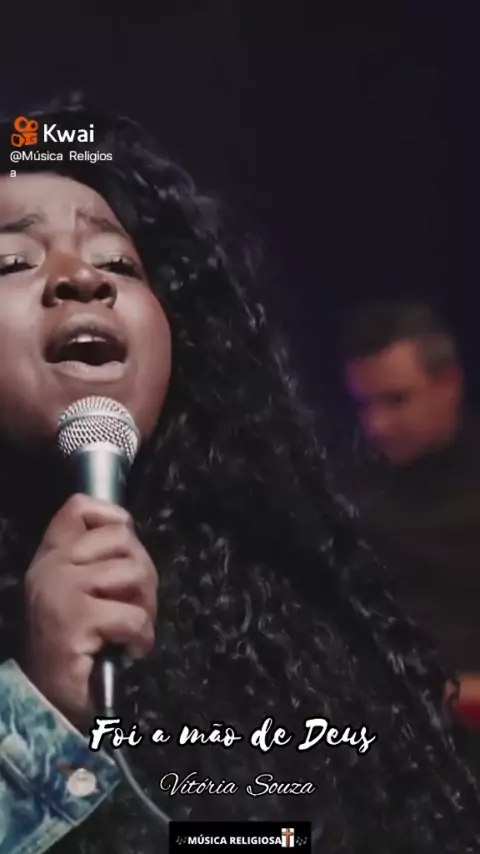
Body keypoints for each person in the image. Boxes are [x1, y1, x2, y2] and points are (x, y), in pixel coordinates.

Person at [0, 99, 480, 854]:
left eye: (119, 263)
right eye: (13, 262)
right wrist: (40, 706)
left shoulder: (287, 609)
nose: (81, 278)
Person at [343, 300, 480, 720]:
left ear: (449, 384)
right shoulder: (351, 490)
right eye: (364, 405)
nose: (376, 425)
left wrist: (437, 698)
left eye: (396, 400)